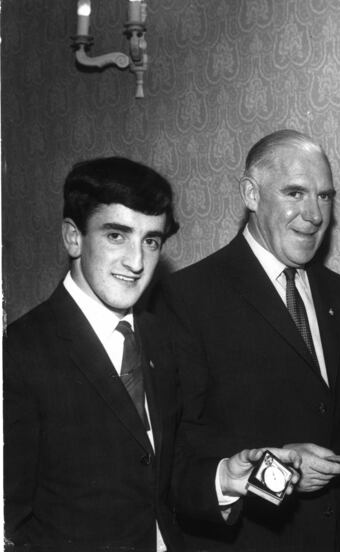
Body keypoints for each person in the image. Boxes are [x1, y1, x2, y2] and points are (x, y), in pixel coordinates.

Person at [3, 157, 301, 552]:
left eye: (151, 240)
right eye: (116, 236)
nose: (136, 261)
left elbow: (160, 472)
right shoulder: (21, 352)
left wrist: (224, 479)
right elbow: (11, 520)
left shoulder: (160, 336)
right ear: (73, 237)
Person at [155, 130, 340, 551]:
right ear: (251, 194)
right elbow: (182, 454)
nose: (314, 214)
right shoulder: (187, 298)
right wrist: (274, 468)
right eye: (295, 192)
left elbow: (338, 429)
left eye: (325, 196)